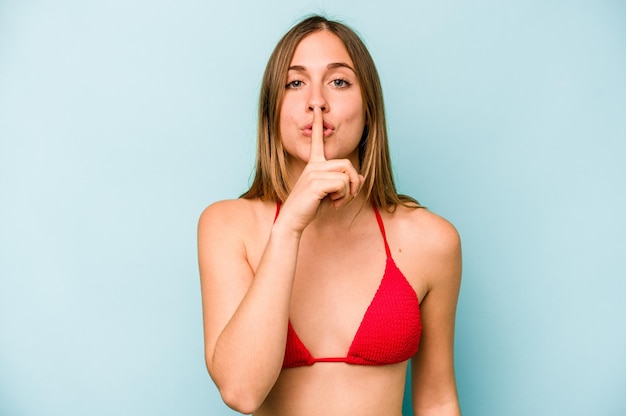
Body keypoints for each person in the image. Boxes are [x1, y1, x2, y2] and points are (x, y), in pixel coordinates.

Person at [198, 15, 462, 415]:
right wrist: (288, 226)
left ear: (369, 109)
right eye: (295, 82)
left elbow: (437, 400)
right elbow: (241, 391)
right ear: (273, 111)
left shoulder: (432, 240)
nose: (316, 101)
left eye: (338, 82)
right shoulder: (227, 226)